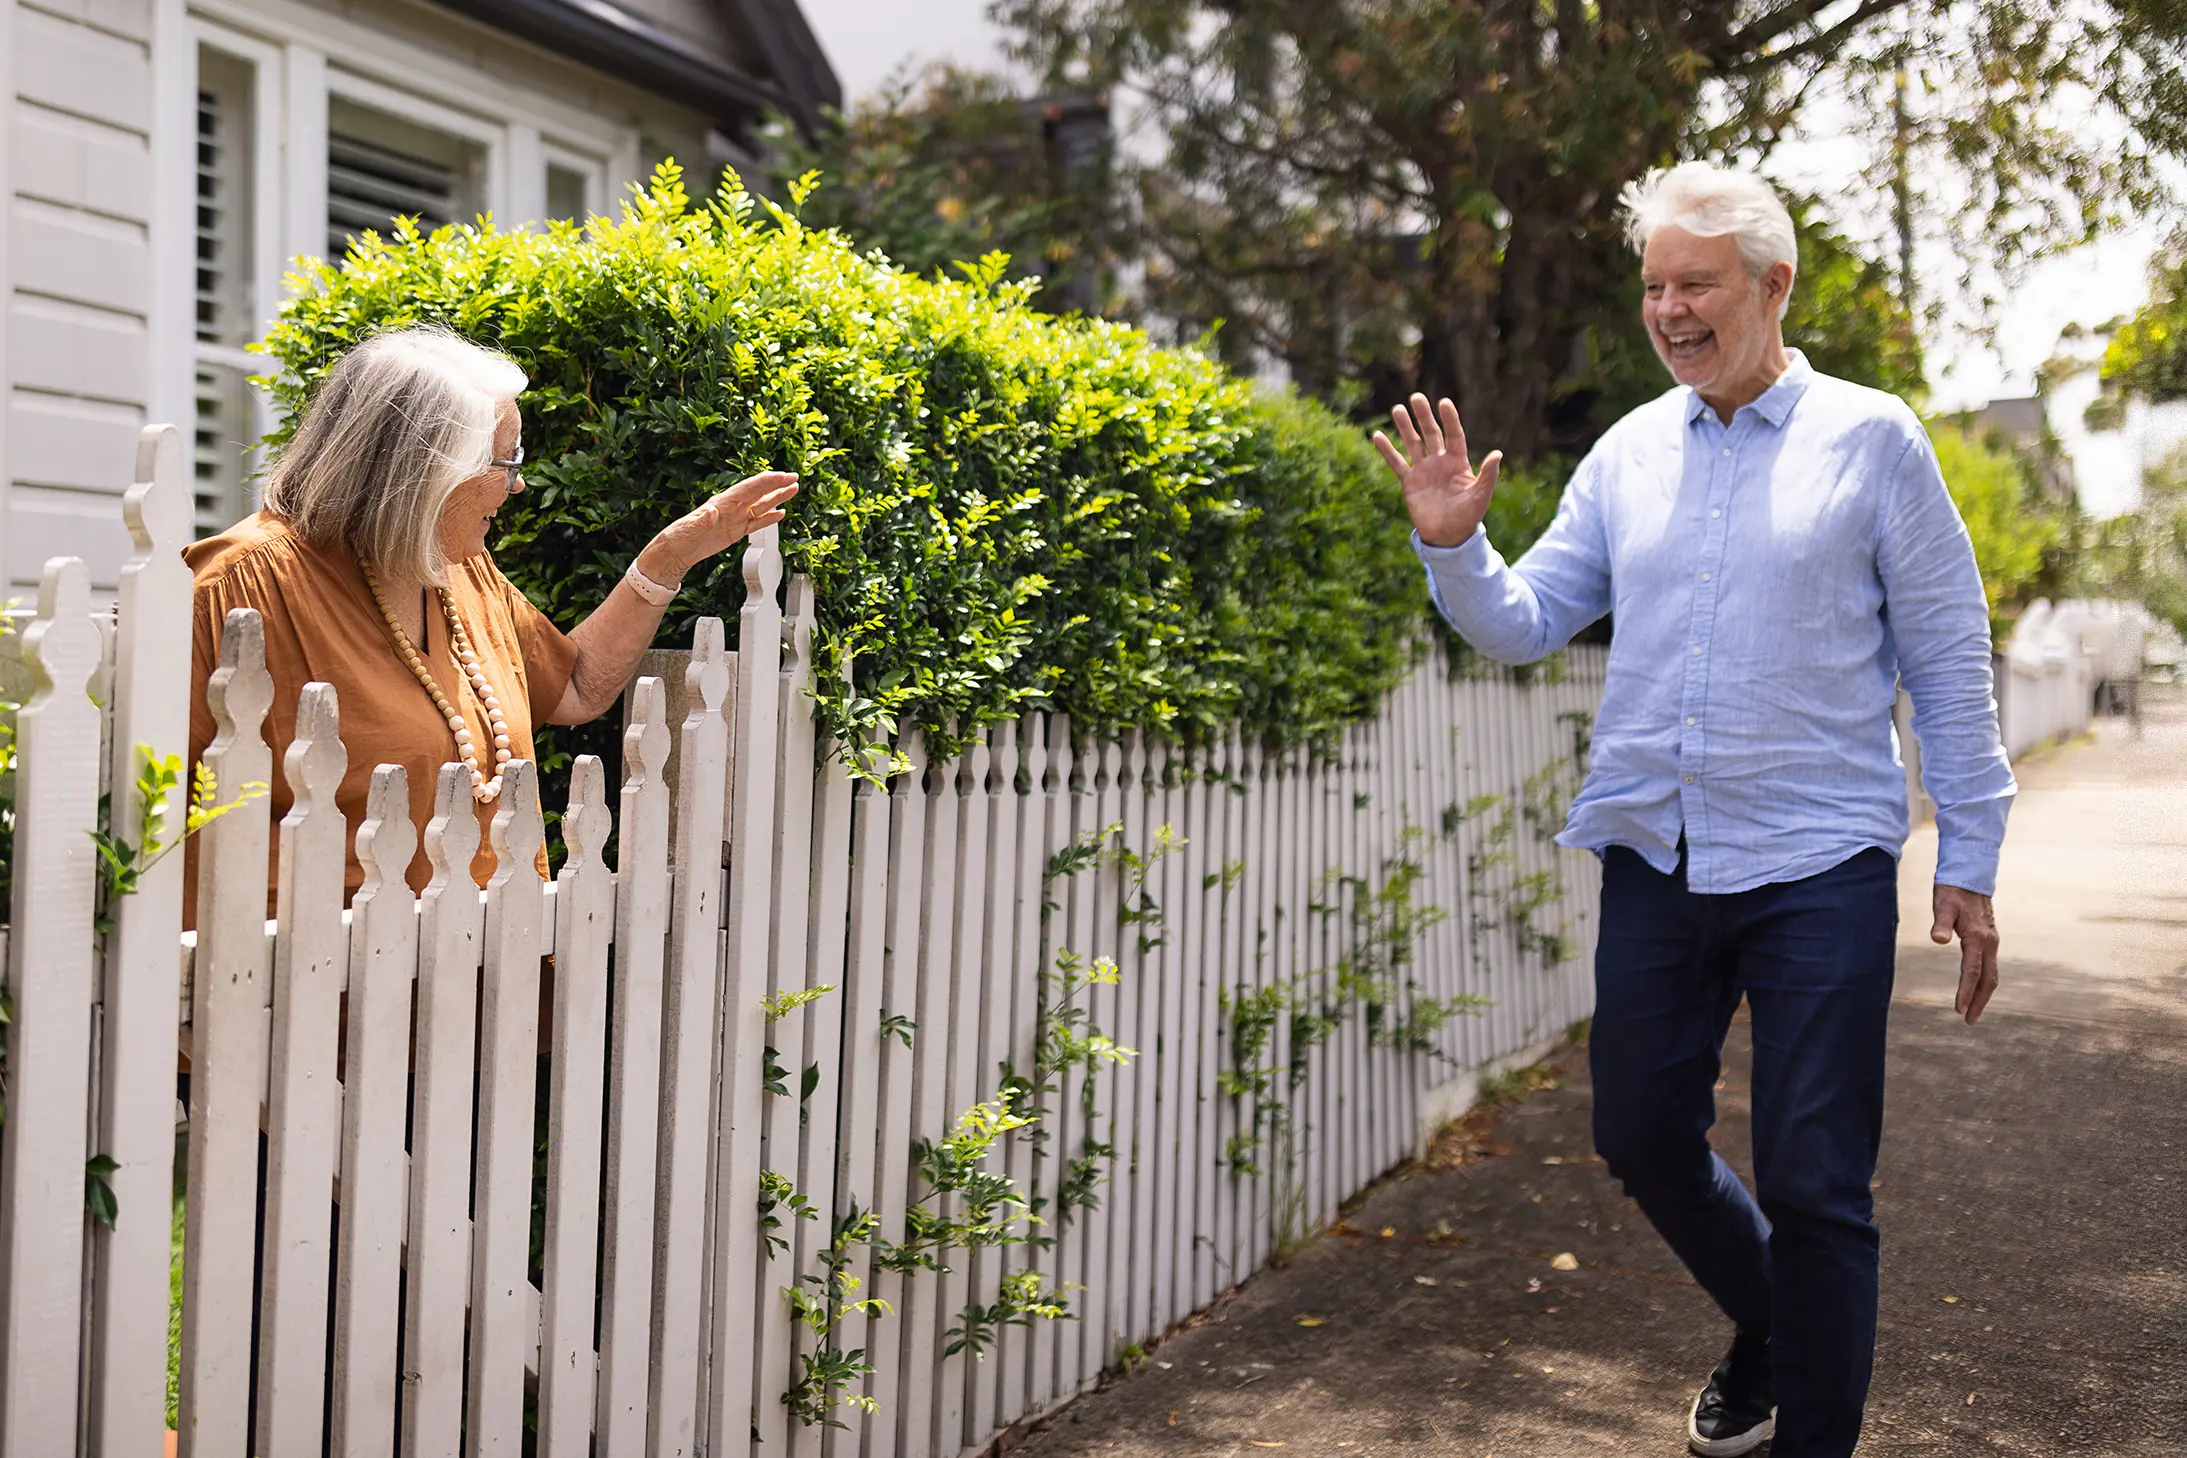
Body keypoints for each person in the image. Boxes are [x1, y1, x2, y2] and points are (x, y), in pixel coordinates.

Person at [1372, 163, 2012, 1458]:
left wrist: (1970, 849)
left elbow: (1947, 654)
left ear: (1772, 286)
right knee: (1637, 1131)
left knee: (1817, 1181)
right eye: (1653, 285)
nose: (1667, 310)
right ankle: (1776, 1326)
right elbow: (1526, 621)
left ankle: (1810, 1432)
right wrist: (1452, 544)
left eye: (1695, 284)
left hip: (1819, 858)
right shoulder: (1627, 452)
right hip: (1655, 852)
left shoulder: (1872, 439)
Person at [187, 325, 798, 904]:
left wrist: (668, 558)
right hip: (327, 967)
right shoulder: (240, 586)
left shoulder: (450, 562)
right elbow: (172, 823)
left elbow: (577, 686)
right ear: (424, 467)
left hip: (496, 960)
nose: (518, 485)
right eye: (505, 462)